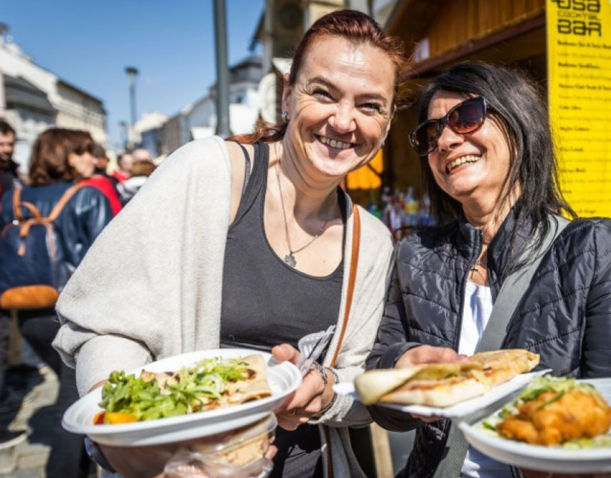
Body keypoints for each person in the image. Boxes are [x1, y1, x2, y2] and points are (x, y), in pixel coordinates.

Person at [52, 9, 406, 478]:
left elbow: (358, 388)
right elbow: (106, 326)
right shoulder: (207, 174)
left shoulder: (373, 241)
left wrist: (323, 390)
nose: (344, 121)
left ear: (387, 119)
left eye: (369, 104)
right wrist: (130, 437)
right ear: (287, 95)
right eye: (323, 93)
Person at [365, 62, 611, 478]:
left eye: (465, 118)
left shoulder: (596, 249)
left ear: (519, 124)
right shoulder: (417, 255)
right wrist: (401, 366)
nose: (447, 140)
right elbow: (379, 392)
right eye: (431, 134)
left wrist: (581, 462)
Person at [0, 127, 113, 477]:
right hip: (75, 313)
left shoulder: (12, 199)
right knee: (74, 400)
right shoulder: (88, 196)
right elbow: (112, 259)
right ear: (67, 156)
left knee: (71, 392)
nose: (92, 158)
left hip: (28, 311)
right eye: (84, 152)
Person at [0, 119, 25, 450]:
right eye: (1, 143)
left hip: (2, 263)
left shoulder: (6, 169)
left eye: (10, 143)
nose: (7, 149)